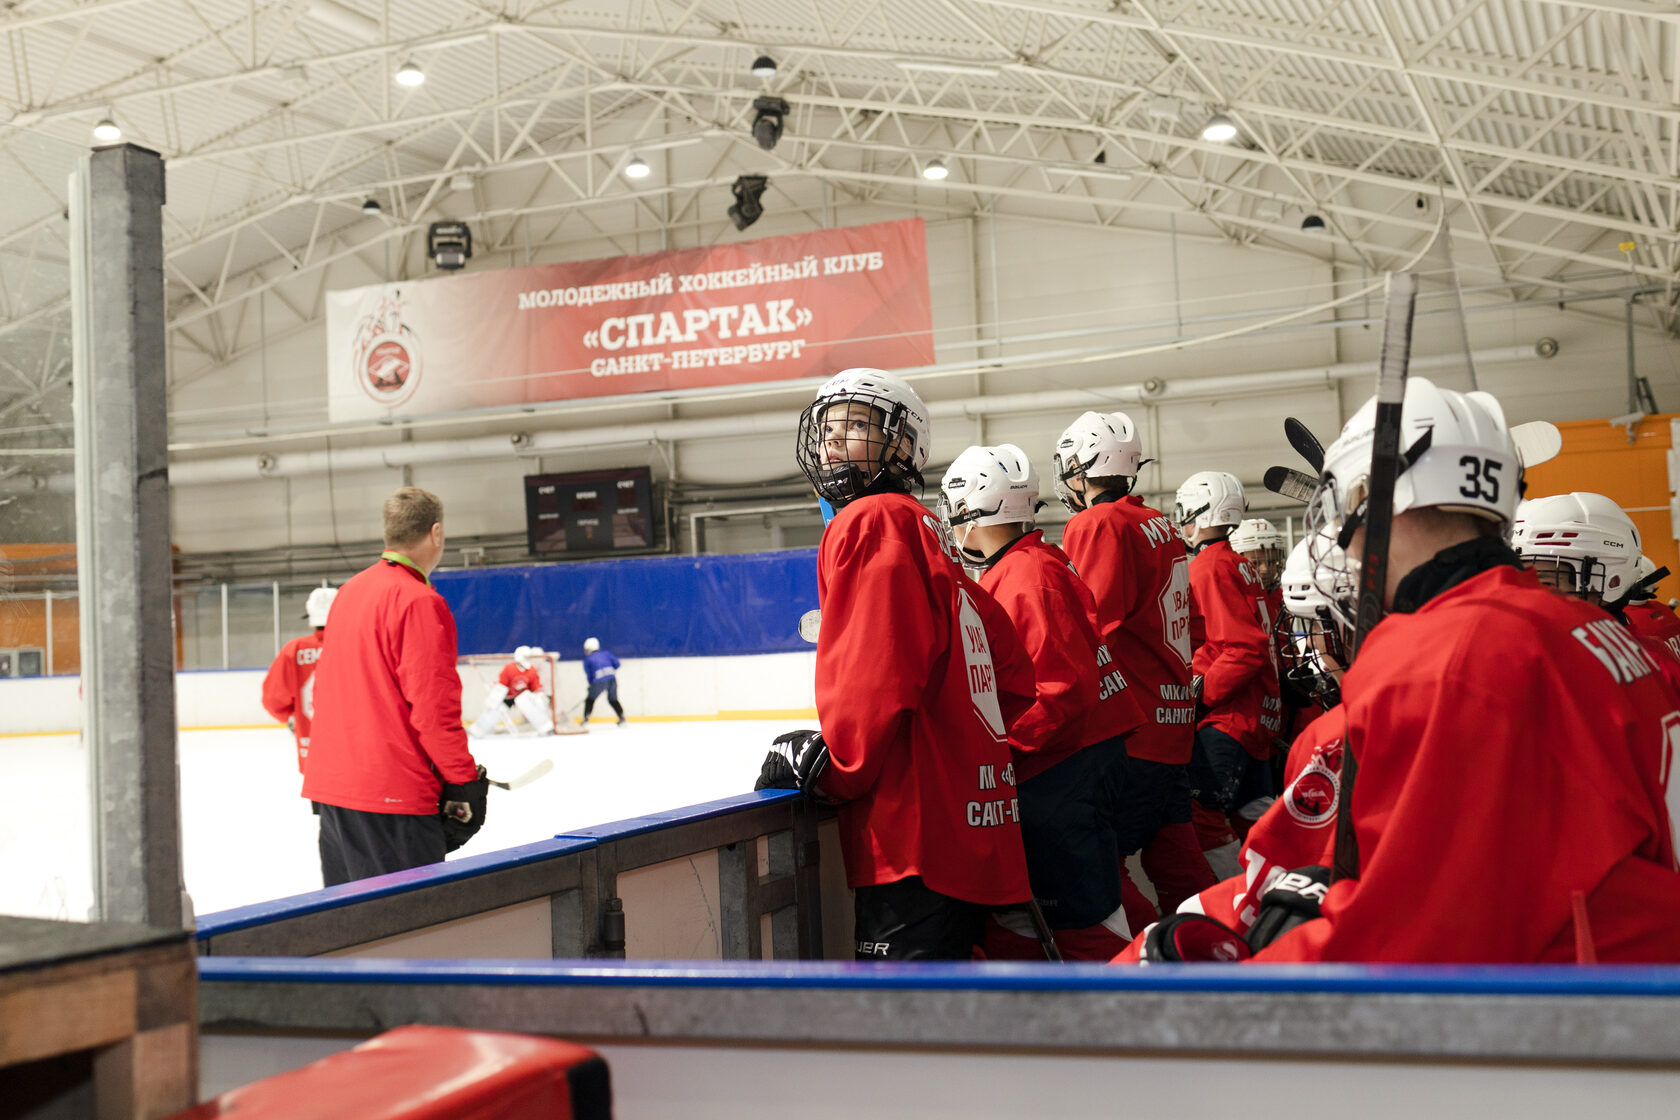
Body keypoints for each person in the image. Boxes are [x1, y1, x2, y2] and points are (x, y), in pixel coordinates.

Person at [1138, 377, 1680, 963]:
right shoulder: (1606, 638)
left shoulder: (1442, 662)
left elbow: (1402, 944)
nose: (1344, 546)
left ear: (1373, 496)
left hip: (1556, 1011)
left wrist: (1220, 981)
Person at [757, 367, 1037, 961]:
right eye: (830, 426)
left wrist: (835, 771)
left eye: (856, 425)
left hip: (915, 838)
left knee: (910, 1036)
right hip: (975, 822)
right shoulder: (928, 529)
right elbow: (1012, 673)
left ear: (903, 445)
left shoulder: (872, 520)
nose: (834, 439)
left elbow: (873, 678)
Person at [939, 443, 1146, 959]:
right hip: (1082, 758)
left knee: (1083, 922)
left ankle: (1140, 1018)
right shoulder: (1037, 561)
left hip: (1065, 768)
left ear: (971, 510)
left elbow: (1060, 689)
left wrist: (998, 751)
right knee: (1033, 914)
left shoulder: (1024, 577)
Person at [1052, 411, 1215, 918]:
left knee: (1101, 869)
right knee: (1179, 866)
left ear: (1082, 467)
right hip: (1173, 728)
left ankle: (1151, 968)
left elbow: (1092, 622)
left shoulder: (1096, 523)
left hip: (1132, 730)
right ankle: (1227, 956)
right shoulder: (1160, 523)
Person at [303, 487, 487, 887]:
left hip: (335, 791)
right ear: (435, 533)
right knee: (409, 933)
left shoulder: (350, 593)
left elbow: (327, 692)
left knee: (355, 928)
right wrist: (462, 780)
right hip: (392, 798)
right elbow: (433, 708)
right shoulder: (418, 600)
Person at [1174, 471, 1281, 871]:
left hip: (1227, 720)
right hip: (1252, 719)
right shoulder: (1238, 565)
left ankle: (1238, 906)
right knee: (1258, 825)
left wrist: (1202, 694)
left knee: (1202, 819)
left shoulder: (1210, 566)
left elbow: (1244, 648)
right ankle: (1278, 897)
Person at [262, 586, 336, 775]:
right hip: (357, 753)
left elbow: (273, 699)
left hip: (311, 751)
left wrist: (293, 718)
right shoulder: (357, 644)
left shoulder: (294, 649)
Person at [469, 645, 555, 737]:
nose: (528, 659)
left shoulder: (532, 670)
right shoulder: (509, 668)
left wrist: (539, 697)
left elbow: (535, 687)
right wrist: (494, 698)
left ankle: (545, 727)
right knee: (497, 709)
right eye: (526, 657)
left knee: (528, 703)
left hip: (522, 697)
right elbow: (501, 685)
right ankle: (478, 730)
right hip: (508, 696)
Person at [581, 638, 625, 726]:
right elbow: (617, 664)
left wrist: (591, 685)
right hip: (611, 679)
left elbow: (589, 675)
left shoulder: (588, 659)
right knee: (613, 699)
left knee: (590, 700)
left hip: (598, 682)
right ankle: (622, 717)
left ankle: (586, 719)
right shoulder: (606, 654)